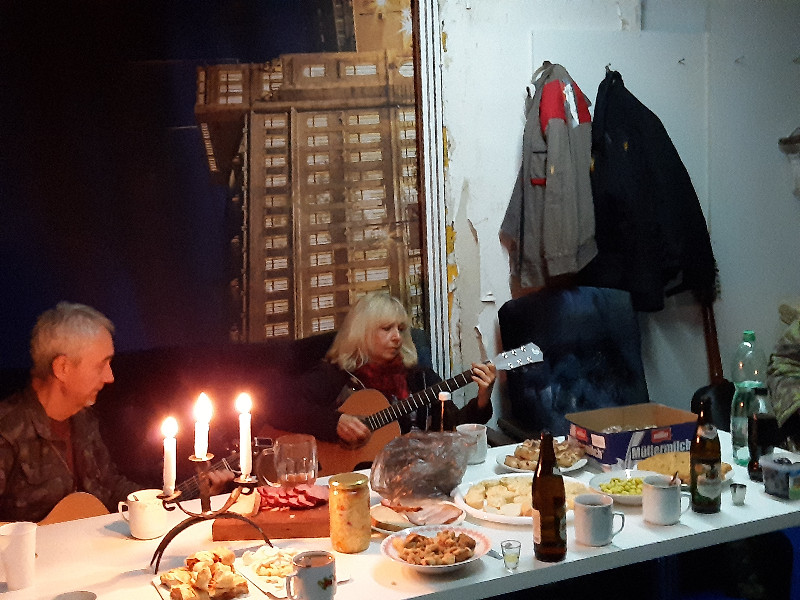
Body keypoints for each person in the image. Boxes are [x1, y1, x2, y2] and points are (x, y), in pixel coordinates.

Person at [269, 291, 496, 446]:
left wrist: (482, 400)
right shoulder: (336, 376)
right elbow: (275, 406)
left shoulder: (421, 378)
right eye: (387, 329)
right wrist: (334, 423)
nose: (397, 337)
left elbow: (451, 427)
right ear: (363, 333)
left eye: (401, 329)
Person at [0, 302, 142, 522]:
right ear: (62, 368)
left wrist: (167, 500)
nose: (110, 377)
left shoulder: (85, 419)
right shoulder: (7, 431)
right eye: (100, 365)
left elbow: (111, 487)